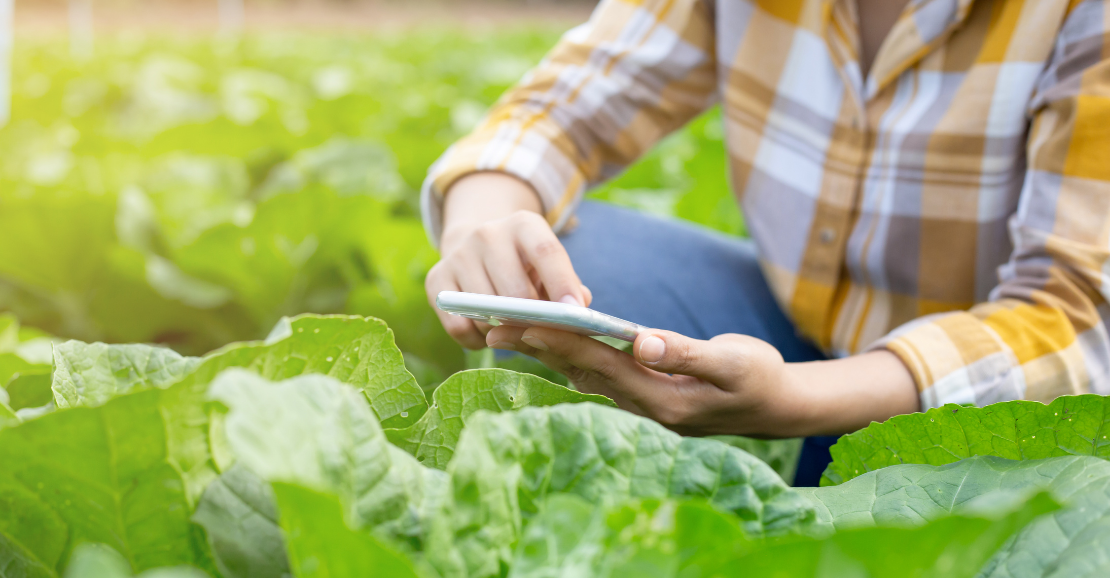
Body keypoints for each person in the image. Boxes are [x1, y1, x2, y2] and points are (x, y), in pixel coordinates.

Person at [421, 0, 1110, 485]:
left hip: (989, 419)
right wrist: (480, 218)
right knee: (571, 257)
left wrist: (795, 403)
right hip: (796, 332)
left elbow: (1074, 318)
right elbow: (573, 100)